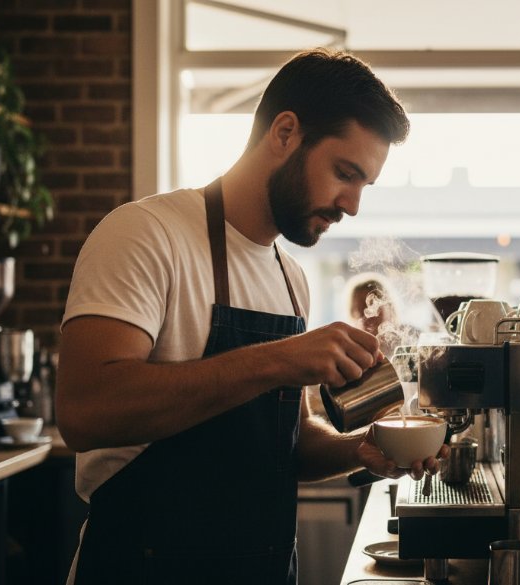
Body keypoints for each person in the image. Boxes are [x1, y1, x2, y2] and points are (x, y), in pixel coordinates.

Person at [56, 49, 445, 585]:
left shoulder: (290, 277)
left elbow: (274, 440)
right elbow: (84, 411)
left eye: (363, 185)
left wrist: (358, 449)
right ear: (285, 132)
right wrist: (278, 359)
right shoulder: (146, 234)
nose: (352, 205)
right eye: (344, 173)